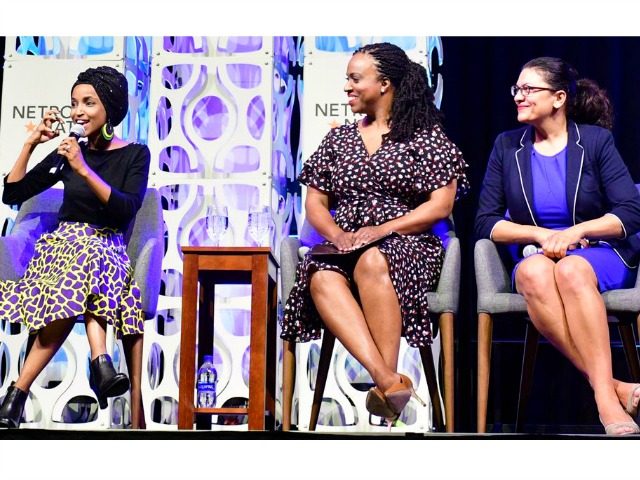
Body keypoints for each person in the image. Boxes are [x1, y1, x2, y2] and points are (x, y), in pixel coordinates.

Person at [281, 42, 469, 424]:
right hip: (344, 243)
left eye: (355, 79)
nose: (347, 87)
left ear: (384, 84)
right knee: (320, 277)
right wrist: (337, 234)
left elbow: (440, 206)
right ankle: (389, 382)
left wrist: (381, 229)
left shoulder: (425, 137)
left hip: (408, 242)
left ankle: (387, 390)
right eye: (347, 79)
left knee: (372, 258)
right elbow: (315, 203)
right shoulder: (339, 139)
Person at [475, 57, 640, 435]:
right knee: (534, 271)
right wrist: (539, 236)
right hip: (538, 255)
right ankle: (612, 390)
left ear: (559, 98)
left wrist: (574, 232)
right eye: (517, 89)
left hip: (597, 252)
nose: (519, 96)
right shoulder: (506, 147)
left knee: (572, 268)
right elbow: (485, 222)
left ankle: (603, 399)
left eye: (529, 89)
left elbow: (630, 212)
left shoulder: (595, 142)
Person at [0, 66, 150, 429]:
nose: (79, 111)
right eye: (74, 104)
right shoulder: (69, 151)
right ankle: (101, 362)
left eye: (89, 103)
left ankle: (14, 397)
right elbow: (13, 192)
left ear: (110, 108)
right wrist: (31, 144)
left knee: (88, 258)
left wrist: (83, 170)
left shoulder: (135, 154)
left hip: (108, 246)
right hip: (61, 251)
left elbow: (125, 209)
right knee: (80, 261)